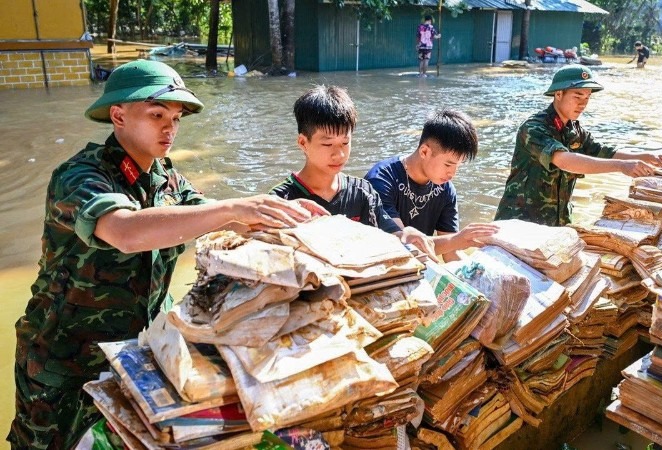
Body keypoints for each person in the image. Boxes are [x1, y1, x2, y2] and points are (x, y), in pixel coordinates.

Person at [7, 60, 328, 450]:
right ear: (118, 116)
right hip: (64, 362)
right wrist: (234, 208)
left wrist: (287, 218)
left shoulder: (168, 180)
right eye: (157, 114)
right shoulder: (80, 176)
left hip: (137, 354)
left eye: (175, 118)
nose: (170, 127)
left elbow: (223, 221)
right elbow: (125, 232)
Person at [494, 65, 662, 226]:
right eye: (577, 96)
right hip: (519, 222)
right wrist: (622, 166)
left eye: (587, 97)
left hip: (557, 222)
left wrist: (649, 158)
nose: (583, 104)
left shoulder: (574, 130)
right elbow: (564, 160)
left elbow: (604, 152)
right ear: (558, 94)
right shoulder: (534, 128)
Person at [270, 85, 437, 258]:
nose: (339, 154)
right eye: (327, 144)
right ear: (303, 143)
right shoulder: (281, 200)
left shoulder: (363, 193)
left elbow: (391, 234)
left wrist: (404, 235)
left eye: (345, 143)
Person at [365, 110, 497, 262]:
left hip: (414, 265)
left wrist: (475, 269)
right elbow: (402, 244)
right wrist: (457, 239)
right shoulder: (381, 180)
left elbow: (450, 254)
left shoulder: (445, 189)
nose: (452, 174)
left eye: (458, 166)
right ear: (424, 151)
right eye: (448, 164)